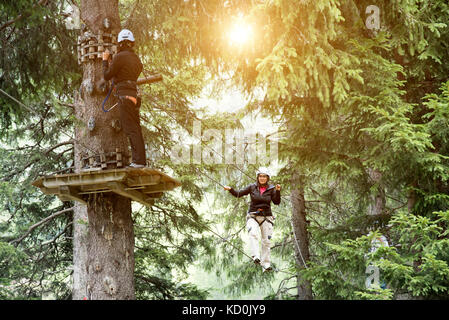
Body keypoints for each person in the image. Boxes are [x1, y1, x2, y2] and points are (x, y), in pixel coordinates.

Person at [224, 167, 281, 272]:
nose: (262, 178)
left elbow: (276, 202)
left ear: (267, 178)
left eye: (264, 176)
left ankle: (266, 264)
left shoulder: (272, 189)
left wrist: (277, 191)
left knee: (266, 241)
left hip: (266, 217)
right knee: (253, 233)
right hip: (253, 215)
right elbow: (239, 194)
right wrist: (231, 189)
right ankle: (256, 256)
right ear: (257, 177)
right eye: (260, 176)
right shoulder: (252, 187)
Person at [102, 29, 145, 168]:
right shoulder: (136, 58)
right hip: (133, 95)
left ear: (120, 43)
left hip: (125, 96)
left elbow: (107, 75)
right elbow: (131, 71)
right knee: (136, 129)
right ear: (131, 43)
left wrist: (105, 61)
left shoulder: (119, 57)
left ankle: (138, 162)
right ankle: (141, 160)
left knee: (131, 129)